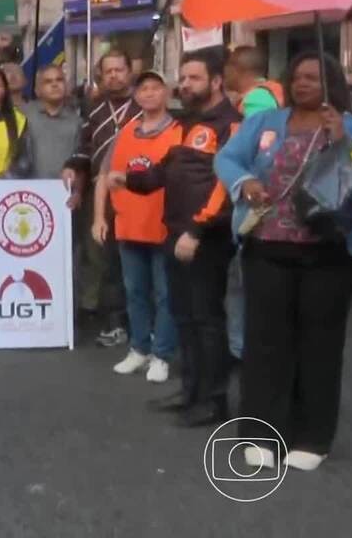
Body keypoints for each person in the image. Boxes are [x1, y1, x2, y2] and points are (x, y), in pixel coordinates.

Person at [216, 52, 352, 471]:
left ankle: (312, 438)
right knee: (265, 345)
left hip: (329, 253)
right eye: (297, 76)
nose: (302, 84)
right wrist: (244, 183)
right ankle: (261, 434)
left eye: (313, 78)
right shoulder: (265, 123)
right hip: (267, 247)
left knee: (318, 346)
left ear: (331, 82)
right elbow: (227, 158)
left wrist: (343, 143)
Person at [117, 52, 241, 428]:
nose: (184, 84)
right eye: (182, 77)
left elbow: (226, 185)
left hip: (204, 238)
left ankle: (213, 401)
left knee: (206, 319)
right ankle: (190, 390)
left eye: (193, 78)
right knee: (184, 316)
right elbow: (167, 171)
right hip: (174, 233)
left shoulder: (231, 124)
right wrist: (129, 180)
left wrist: (197, 230)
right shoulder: (187, 124)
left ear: (216, 81)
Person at [95, 71, 181, 383]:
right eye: (142, 89)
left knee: (165, 294)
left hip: (163, 226)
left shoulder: (179, 131)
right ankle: (139, 348)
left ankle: (162, 354)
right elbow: (105, 174)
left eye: (155, 88)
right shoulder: (126, 131)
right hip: (129, 225)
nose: (148, 94)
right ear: (136, 95)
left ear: (166, 93)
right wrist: (98, 217)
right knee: (135, 293)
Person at [65, 50, 140, 348]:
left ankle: (141, 324)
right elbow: (84, 149)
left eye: (119, 70)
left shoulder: (141, 106)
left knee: (138, 260)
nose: (113, 76)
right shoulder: (94, 110)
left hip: (139, 192)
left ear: (129, 72)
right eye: (107, 72)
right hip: (102, 193)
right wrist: (72, 166)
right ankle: (115, 323)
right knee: (108, 261)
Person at [222, 44, 285, 361]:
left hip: (256, 202)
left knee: (243, 284)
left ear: (238, 69)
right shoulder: (271, 93)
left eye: (227, 67)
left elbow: (260, 150)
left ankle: (243, 353)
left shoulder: (258, 98)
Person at [9, 65, 82, 182]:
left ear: (66, 86)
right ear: (37, 90)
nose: (55, 85)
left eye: (59, 80)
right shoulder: (22, 116)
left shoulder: (76, 121)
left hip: (65, 190)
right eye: (48, 81)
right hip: (29, 190)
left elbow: (80, 160)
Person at [225, 45, 284, 116]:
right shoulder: (266, 91)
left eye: (227, 66)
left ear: (236, 70)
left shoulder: (256, 98)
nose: (224, 72)